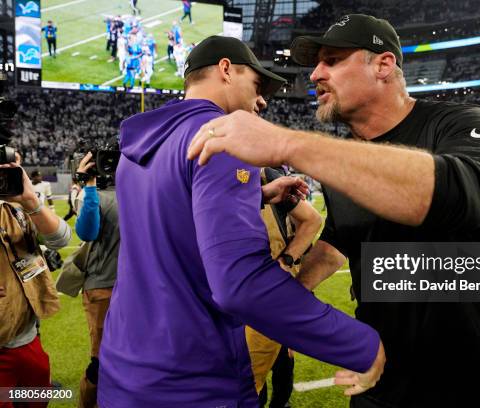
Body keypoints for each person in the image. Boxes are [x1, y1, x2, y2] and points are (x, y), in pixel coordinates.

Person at [187, 15, 480, 407]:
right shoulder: (341, 160)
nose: (315, 73)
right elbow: (343, 238)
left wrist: (290, 144)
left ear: (383, 65)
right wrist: (285, 295)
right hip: (380, 379)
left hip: (476, 380)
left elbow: (460, 197)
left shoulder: (464, 124)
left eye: (332, 60)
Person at [98, 35, 385, 408]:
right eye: (257, 84)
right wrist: (360, 344)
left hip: (126, 366)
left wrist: (255, 195)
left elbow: (171, 215)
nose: (263, 99)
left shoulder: (138, 149)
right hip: (190, 375)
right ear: (226, 70)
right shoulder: (224, 141)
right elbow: (240, 284)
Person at [0, 157, 71, 405]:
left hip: (27, 337)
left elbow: (61, 239)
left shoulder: (15, 204)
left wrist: (31, 201)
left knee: (36, 400)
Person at [249, 166, 322, 408]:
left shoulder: (268, 174)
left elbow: (311, 221)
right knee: (249, 371)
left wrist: (287, 259)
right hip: (236, 290)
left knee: (278, 361)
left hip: (272, 289)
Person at [73, 152, 120, 408]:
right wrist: (90, 188)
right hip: (108, 288)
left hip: (112, 287)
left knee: (105, 361)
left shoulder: (130, 192)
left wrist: (88, 186)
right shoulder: (133, 193)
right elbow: (87, 232)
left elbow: (86, 232)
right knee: (102, 362)